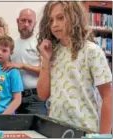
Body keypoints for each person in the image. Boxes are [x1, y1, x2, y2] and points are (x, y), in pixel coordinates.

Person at [37, 1, 112, 133]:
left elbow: (108, 96)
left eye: (60, 18)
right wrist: (45, 60)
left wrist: (104, 136)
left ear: (74, 17)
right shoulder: (52, 52)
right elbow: (43, 95)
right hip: (56, 129)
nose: (54, 24)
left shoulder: (91, 51)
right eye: (51, 20)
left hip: (85, 130)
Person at [2, 8, 47, 115]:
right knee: (15, 130)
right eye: (23, 20)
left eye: (30, 21)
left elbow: (45, 72)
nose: (26, 24)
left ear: (34, 24)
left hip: (35, 98)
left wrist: (22, 66)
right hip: (15, 97)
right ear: (18, 21)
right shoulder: (12, 44)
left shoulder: (40, 43)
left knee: (35, 130)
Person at [0, 36, 23, 114]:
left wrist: (4, 116)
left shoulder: (13, 72)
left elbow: (17, 99)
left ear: (11, 53)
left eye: (4, 50)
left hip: (5, 115)